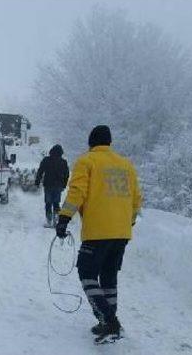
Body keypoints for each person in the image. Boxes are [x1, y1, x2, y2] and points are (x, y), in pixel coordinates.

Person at [55, 125, 142, 344]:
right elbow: (136, 199)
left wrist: (64, 218)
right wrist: (128, 222)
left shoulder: (87, 161)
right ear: (109, 143)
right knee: (109, 278)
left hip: (97, 232)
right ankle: (107, 321)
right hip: (122, 233)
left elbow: (77, 192)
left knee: (86, 273)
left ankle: (110, 323)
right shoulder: (126, 165)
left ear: (91, 142)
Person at [34, 144, 69, 227]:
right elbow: (66, 175)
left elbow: (40, 171)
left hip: (48, 185)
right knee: (56, 203)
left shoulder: (46, 160)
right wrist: (64, 185)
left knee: (48, 203)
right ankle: (56, 221)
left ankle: (49, 221)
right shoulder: (63, 162)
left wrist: (37, 182)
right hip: (58, 186)